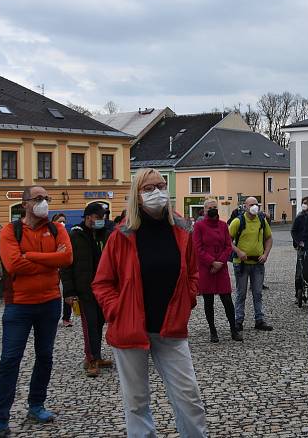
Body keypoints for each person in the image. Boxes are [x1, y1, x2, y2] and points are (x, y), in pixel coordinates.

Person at [92, 168, 207, 437]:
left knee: (189, 398)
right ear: (137, 195)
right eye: (148, 188)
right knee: (136, 403)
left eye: (161, 185)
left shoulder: (181, 230)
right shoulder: (122, 235)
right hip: (130, 329)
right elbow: (102, 282)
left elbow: (192, 273)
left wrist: (187, 299)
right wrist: (116, 311)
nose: (157, 192)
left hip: (171, 328)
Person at [0, 186, 72, 438]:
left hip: (50, 302)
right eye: (38, 198)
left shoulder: (56, 229)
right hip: (19, 304)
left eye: (46, 198)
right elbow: (13, 263)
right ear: (25, 203)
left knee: (45, 356)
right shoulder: (10, 230)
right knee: (9, 359)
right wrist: (50, 259)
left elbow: (67, 258)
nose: (44, 203)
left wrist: (32, 256)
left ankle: (36, 405)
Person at [60, 203, 113, 378]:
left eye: (103, 217)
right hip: (84, 290)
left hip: (102, 288)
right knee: (89, 325)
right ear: (88, 217)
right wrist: (68, 292)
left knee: (98, 323)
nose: (102, 220)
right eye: (99, 217)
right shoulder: (75, 235)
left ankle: (97, 356)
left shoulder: (104, 234)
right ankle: (90, 359)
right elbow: (66, 266)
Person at [193, 198, 242, 343]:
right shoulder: (199, 226)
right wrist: (211, 262)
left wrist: (220, 262)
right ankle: (213, 331)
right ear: (205, 210)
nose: (212, 209)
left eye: (214, 207)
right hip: (206, 268)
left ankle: (234, 330)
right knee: (209, 301)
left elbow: (228, 245)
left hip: (221, 267)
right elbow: (197, 247)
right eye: (209, 208)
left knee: (227, 299)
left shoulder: (222, 225)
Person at [229, 196, 274, 332]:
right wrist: (238, 251)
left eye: (256, 204)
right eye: (252, 204)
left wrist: (265, 254)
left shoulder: (261, 220)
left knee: (258, 293)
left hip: (258, 263)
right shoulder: (238, 221)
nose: (255, 207)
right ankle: (238, 321)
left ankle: (259, 320)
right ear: (245, 206)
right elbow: (227, 241)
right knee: (241, 293)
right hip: (241, 263)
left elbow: (269, 238)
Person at [51, 213, 73, 328]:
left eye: (64, 221)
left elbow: (68, 253)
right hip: (52, 268)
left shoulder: (67, 234)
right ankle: (52, 317)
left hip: (64, 267)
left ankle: (66, 318)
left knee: (67, 292)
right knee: (53, 293)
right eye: (60, 221)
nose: (62, 223)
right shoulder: (49, 235)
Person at [292, 197, 308, 307]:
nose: (303, 205)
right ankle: (298, 293)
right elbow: (293, 231)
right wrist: (298, 242)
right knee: (299, 271)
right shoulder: (299, 217)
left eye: (306, 203)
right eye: (303, 203)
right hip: (302, 247)